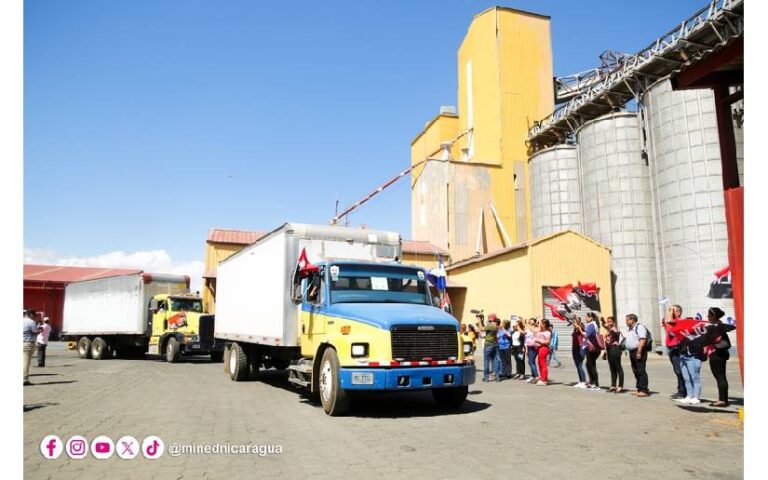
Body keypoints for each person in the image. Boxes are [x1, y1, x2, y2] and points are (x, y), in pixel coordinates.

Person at [706, 307, 731, 407]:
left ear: (713, 316)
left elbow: (716, 339)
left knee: (720, 377)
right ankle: (723, 399)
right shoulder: (719, 325)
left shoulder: (716, 326)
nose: (707, 317)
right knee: (721, 377)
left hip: (717, 354)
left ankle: (722, 400)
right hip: (719, 353)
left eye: (709, 315)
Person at [677, 325, 706, 405]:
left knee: (695, 378)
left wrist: (690, 338)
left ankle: (696, 397)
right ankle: (689, 396)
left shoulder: (698, 336)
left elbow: (700, 346)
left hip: (693, 357)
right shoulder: (682, 335)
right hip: (683, 357)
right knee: (686, 378)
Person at [663, 304, 687, 400]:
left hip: (677, 348)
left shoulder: (680, 321)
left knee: (680, 371)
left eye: (672, 310)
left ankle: (682, 392)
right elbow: (667, 326)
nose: (669, 312)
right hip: (670, 347)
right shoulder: (671, 321)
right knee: (677, 371)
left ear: (678, 312)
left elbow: (670, 325)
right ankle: (680, 390)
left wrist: (670, 314)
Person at [625, 313, 650, 397]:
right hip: (632, 351)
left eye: (627, 319)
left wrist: (639, 352)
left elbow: (642, 340)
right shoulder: (630, 329)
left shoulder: (639, 327)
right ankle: (639, 388)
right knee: (635, 370)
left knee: (641, 370)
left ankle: (644, 390)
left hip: (639, 350)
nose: (626, 321)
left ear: (632, 320)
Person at [602, 316, 624, 393]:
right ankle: (613, 386)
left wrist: (609, 329)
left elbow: (616, 332)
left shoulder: (615, 328)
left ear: (614, 322)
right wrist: (605, 351)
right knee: (612, 368)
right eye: (608, 321)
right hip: (609, 349)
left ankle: (620, 386)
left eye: (610, 321)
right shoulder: (609, 329)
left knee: (618, 368)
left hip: (615, 349)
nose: (608, 323)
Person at [583, 312, 602, 391]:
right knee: (588, 364)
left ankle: (596, 384)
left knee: (591, 365)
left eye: (586, 317)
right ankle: (592, 382)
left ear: (591, 318)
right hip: (592, 348)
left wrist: (581, 331)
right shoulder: (592, 325)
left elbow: (586, 335)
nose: (585, 318)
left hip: (592, 348)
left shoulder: (592, 325)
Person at [23, 309, 40, 386]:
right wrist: (40, 330)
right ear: (31, 315)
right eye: (34, 316)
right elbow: (35, 332)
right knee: (26, 362)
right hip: (28, 343)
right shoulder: (31, 322)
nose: (35, 318)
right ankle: (24, 379)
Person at [571, 316, 588, 388]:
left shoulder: (581, 328)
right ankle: (581, 381)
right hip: (575, 348)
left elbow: (578, 324)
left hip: (581, 348)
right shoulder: (575, 329)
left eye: (575, 321)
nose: (574, 323)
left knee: (580, 364)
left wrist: (575, 317)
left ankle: (584, 381)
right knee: (577, 365)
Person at [534, 319, 552, 386]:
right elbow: (535, 333)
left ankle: (544, 380)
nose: (540, 324)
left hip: (544, 348)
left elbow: (548, 342)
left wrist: (540, 342)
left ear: (544, 324)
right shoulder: (541, 330)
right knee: (539, 363)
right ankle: (542, 378)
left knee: (543, 364)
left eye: (541, 323)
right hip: (539, 348)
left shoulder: (548, 332)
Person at [482, 314, 500, 382]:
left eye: (489, 317)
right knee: (495, 361)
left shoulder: (491, 325)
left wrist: (479, 321)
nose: (488, 318)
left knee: (486, 361)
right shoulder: (496, 325)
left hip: (488, 344)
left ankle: (486, 377)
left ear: (491, 319)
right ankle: (497, 377)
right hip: (494, 344)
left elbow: (482, 328)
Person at [524, 318, 540, 383]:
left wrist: (526, 324)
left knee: (531, 362)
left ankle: (536, 376)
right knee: (530, 361)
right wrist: (526, 348)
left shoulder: (536, 328)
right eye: (530, 320)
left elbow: (534, 330)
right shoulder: (528, 329)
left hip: (534, 346)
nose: (530, 321)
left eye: (532, 320)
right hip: (529, 346)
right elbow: (526, 339)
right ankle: (533, 376)